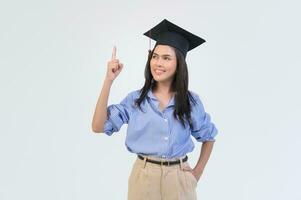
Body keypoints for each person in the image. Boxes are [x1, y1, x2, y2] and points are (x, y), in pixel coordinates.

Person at [92, 19, 218, 200]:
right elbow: (98, 126)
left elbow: (209, 137)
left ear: (179, 65)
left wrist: (196, 174)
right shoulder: (136, 100)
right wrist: (108, 81)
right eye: (155, 56)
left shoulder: (190, 102)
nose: (158, 63)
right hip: (143, 178)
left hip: (179, 179)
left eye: (166, 58)